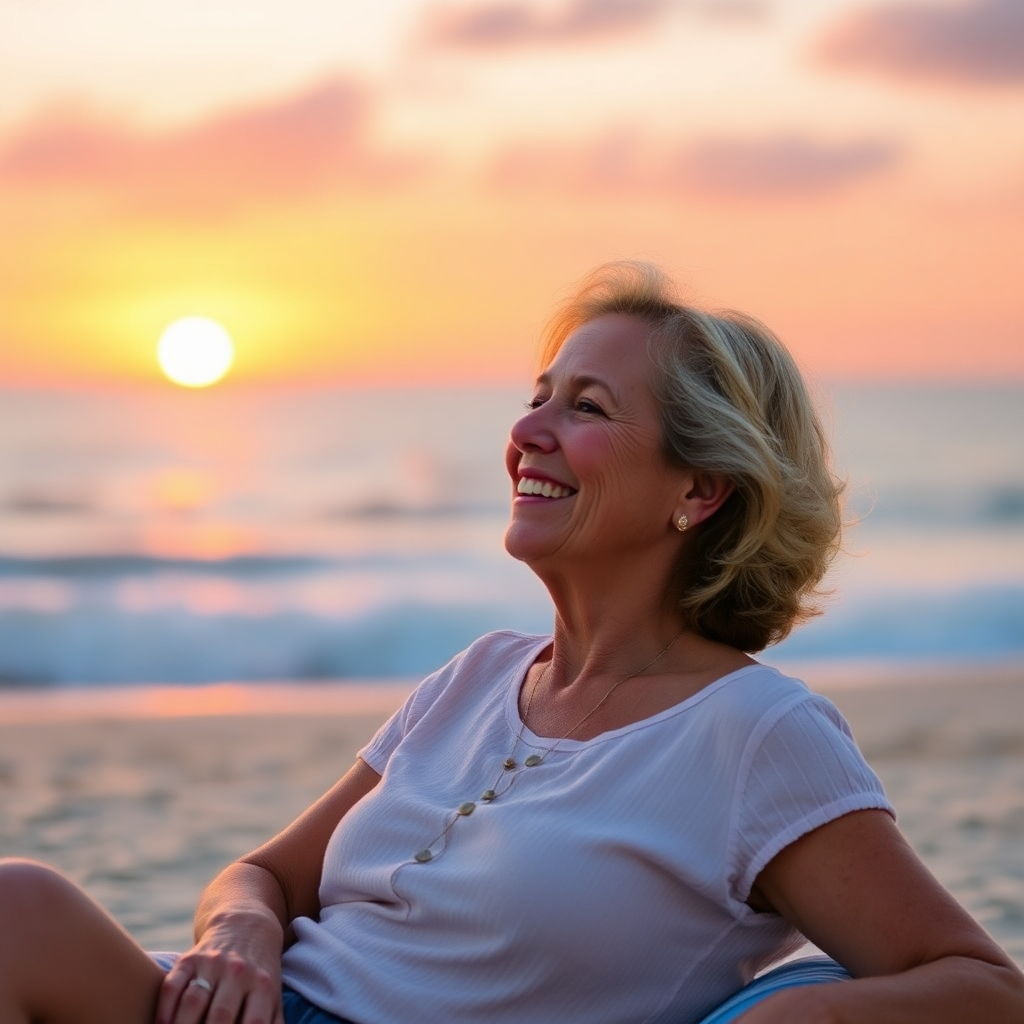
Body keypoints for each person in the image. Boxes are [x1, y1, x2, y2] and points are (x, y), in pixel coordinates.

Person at [1, 261, 1022, 1024]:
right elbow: (262, 873)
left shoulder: (756, 733)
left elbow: (981, 984)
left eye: (585, 408)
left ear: (699, 490)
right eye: (538, 395)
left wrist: (782, 1015)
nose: (529, 430)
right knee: (19, 906)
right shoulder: (480, 674)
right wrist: (240, 930)